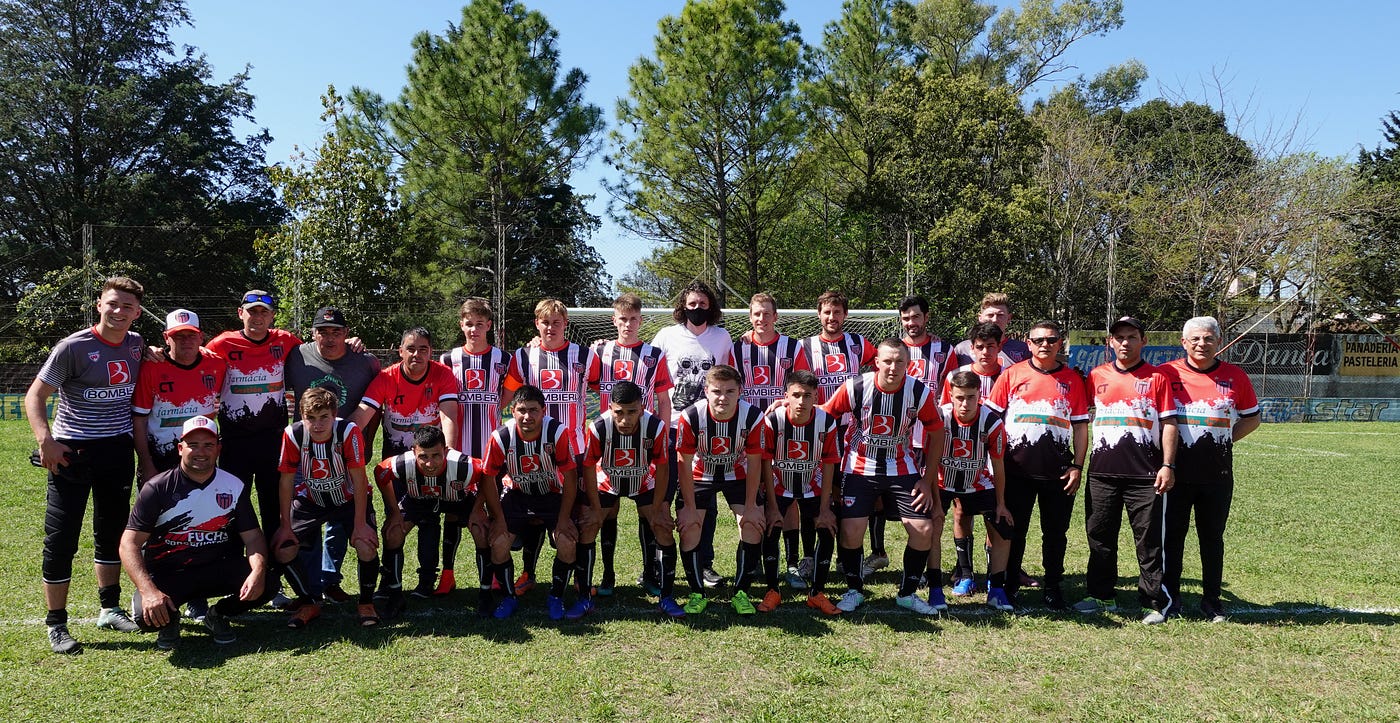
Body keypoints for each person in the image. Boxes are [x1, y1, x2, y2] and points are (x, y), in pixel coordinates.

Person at [26, 276, 147, 654]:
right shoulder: (73, 347)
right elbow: (36, 394)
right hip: (72, 453)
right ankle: (56, 624)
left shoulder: (136, 344)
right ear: (99, 305)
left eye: (127, 306)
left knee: (111, 531)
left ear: (137, 313)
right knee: (61, 539)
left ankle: (109, 608)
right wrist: (46, 440)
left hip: (116, 451)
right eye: (112, 303)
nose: (119, 311)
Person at [119, 416, 269, 649]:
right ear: (180, 448)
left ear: (218, 449)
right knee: (145, 617)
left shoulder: (233, 486)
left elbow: (253, 537)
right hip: (170, 573)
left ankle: (217, 615)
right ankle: (170, 618)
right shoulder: (157, 488)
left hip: (216, 569)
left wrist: (257, 572)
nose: (201, 452)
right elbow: (128, 544)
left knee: (267, 583)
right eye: (193, 445)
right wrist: (148, 592)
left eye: (208, 445)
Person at [822, 338, 945, 615]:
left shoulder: (918, 391)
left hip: (902, 467)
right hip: (859, 466)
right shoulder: (856, 387)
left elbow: (937, 432)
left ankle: (907, 593)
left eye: (899, 361)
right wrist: (788, 405)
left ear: (908, 364)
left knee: (923, 530)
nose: (893, 367)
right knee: (852, 530)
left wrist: (926, 479)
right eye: (887, 361)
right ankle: (854, 589)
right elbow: (826, 414)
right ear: (876, 362)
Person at [1073, 317, 1178, 624]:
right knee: (1100, 536)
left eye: (1132, 337)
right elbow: (1080, 418)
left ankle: (1152, 601)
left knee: (1147, 541)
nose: (1125, 343)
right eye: (1119, 337)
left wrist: (1167, 465)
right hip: (1102, 472)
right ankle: (1102, 595)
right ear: (1110, 342)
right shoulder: (1096, 376)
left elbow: (1169, 423)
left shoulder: (1157, 378)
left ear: (1143, 341)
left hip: (1146, 475)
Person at [1161, 316, 1260, 622]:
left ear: (1219, 341)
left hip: (1217, 474)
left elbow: (1252, 418)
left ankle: (1212, 601)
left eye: (1208, 339)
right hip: (1175, 473)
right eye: (1195, 339)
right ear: (1184, 342)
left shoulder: (1235, 376)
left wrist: (1223, 440)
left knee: (1212, 538)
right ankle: (1171, 598)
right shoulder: (1166, 373)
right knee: (1171, 538)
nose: (1201, 344)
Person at [985, 321, 1090, 609]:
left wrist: (1077, 466)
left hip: (1058, 473)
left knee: (1055, 533)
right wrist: (993, 462)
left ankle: (1053, 585)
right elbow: (991, 421)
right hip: (1015, 469)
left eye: (1051, 339)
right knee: (1013, 530)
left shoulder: (1072, 380)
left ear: (1060, 343)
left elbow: (1081, 427)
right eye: (1038, 340)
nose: (1045, 344)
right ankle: (1009, 585)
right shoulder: (1011, 374)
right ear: (1028, 344)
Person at [353, 327, 460, 597]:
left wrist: (447, 456)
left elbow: (448, 417)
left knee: (429, 520)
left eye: (423, 349)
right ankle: (390, 580)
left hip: (431, 463)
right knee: (394, 520)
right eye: (410, 349)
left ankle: (426, 580)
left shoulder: (442, 375)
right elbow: (363, 415)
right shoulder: (386, 378)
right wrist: (341, 437)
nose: (416, 354)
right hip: (397, 464)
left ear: (431, 352)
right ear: (400, 352)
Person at [284, 306, 381, 604]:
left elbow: (378, 397)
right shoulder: (296, 356)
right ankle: (312, 591)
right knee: (309, 524)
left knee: (343, 523)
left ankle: (330, 579)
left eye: (336, 332)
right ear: (312, 334)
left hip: (346, 452)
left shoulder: (364, 361)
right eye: (322, 332)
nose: (329, 338)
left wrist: (367, 437)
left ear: (347, 334)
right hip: (305, 455)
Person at [503, 299, 600, 594]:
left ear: (566, 324)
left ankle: (583, 579)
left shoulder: (586, 355)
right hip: (535, 450)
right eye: (545, 322)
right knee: (535, 513)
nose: (550, 327)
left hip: (576, 448)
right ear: (536, 324)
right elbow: (506, 399)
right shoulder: (522, 357)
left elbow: (603, 390)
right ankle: (528, 574)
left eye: (557, 322)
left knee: (580, 516)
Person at [479, 385, 601, 621]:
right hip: (517, 495)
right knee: (498, 543)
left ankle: (555, 596)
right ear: (512, 411)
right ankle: (508, 597)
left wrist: (564, 519)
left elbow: (571, 477)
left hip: (551, 495)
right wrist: (498, 519)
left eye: (533, 410)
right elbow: (488, 479)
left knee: (567, 542)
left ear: (543, 411)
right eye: (522, 410)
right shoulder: (501, 437)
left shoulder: (556, 432)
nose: (527, 417)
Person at [206, 290, 302, 578]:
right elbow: (194, 359)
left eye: (263, 312)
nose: (257, 317)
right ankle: (237, 576)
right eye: (252, 311)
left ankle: (274, 580)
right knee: (235, 510)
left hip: (273, 441)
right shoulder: (222, 343)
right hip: (235, 443)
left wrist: (350, 343)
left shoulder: (284, 341)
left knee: (275, 510)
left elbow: (318, 351)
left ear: (272, 316)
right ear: (241, 313)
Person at [270, 387, 381, 628]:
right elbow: (286, 481)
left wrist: (360, 524)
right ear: (301, 416)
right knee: (283, 549)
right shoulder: (293, 434)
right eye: (311, 418)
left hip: (348, 498)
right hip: (311, 499)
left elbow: (360, 479)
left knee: (366, 545)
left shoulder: (348, 432)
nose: (318, 425)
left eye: (324, 418)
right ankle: (309, 602)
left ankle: (366, 602)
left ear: (334, 415)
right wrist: (285, 526)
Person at [373, 425, 508, 618]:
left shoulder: (463, 465)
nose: (430, 463)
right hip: (419, 499)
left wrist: (478, 509)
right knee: (392, 533)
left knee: (481, 531)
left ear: (445, 450)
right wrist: (394, 512)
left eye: (436, 455)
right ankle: (395, 596)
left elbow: (487, 475)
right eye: (423, 457)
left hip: (457, 498)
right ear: (413, 452)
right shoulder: (402, 463)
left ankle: (485, 595)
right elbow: (380, 473)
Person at [650, 281, 733, 589]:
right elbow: (647, 369)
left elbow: (727, 380)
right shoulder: (667, 335)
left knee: (704, 499)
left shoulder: (722, 337)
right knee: (663, 495)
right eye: (692, 304)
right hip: (672, 428)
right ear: (682, 306)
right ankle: (659, 562)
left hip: (707, 432)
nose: (697, 309)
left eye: (702, 304)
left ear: (711, 306)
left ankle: (704, 562)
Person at [589, 293, 673, 596]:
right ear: (614, 320)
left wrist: (661, 437)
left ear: (641, 321)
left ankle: (649, 573)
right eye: (622, 319)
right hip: (609, 444)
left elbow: (663, 399)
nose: (628, 325)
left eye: (633, 319)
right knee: (607, 513)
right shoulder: (599, 353)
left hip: (643, 446)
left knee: (647, 512)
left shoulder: (654, 354)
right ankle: (608, 575)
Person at [580, 380, 683, 616]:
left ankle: (665, 595)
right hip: (608, 479)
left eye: (632, 412)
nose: (625, 420)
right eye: (619, 412)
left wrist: (658, 509)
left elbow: (664, 468)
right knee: (589, 526)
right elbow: (587, 467)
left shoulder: (655, 426)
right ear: (610, 407)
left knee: (662, 527)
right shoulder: (598, 427)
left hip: (644, 479)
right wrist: (595, 508)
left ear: (642, 406)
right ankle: (592, 590)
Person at [734, 292, 812, 591]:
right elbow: (729, 384)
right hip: (748, 431)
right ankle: (754, 559)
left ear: (775, 316)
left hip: (785, 429)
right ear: (750, 316)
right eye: (756, 314)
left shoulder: (791, 347)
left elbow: (802, 384)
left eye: (767, 313)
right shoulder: (738, 347)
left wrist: (784, 400)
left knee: (787, 495)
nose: (761, 319)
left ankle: (791, 563)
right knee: (754, 496)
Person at [673, 364, 767, 615]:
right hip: (699, 474)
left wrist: (750, 507)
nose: (723, 397)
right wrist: (690, 509)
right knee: (690, 527)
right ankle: (696, 593)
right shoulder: (691, 416)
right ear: (706, 391)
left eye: (730, 391)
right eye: (716, 391)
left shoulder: (753, 416)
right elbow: (683, 463)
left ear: (740, 392)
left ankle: (741, 592)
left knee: (752, 524)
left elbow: (755, 462)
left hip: (737, 473)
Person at [801, 290, 880, 573]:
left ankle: (851, 554)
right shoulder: (805, 346)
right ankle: (810, 556)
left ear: (845, 315)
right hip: (819, 427)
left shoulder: (858, 343)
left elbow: (880, 366)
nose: (831, 317)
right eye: (826, 312)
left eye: (837, 312)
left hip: (854, 428)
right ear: (819, 315)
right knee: (815, 489)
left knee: (849, 491)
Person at [438, 297, 513, 596]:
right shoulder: (448, 359)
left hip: (490, 450)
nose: (474, 330)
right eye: (469, 324)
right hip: (458, 450)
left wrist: (495, 408)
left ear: (489, 326)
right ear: (461, 325)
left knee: (491, 513)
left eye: (480, 325)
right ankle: (448, 574)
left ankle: (493, 574)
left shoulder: (503, 359)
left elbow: (510, 391)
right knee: (454, 515)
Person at [757, 370, 842, 615]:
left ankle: (816, 593)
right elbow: (765, 462)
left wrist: (825, 508)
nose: (802, 401)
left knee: (827, 530)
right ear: (786, 396)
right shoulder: (774, 420)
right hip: (779, 485)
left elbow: (828, 463)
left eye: (808, 395)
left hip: (812, 485)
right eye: (796, 395)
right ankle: (772, 591)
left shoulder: (826, 422)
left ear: (816, 396)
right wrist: (772, 507)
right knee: (771, 529)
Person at [933, 371, 1015, 612]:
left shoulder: (992, 422)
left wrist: (1000, 503)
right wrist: (932, 498)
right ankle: (937, 589)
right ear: (950, 395)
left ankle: (997, 589)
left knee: (1003, 528)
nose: (965, 404)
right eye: (959, 397)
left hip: (978, 482)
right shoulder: (940, 417)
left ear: (980, 394)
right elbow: (928, 460)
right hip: (942, 483)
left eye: (971, 397)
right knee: (930, 527)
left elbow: (998, 467)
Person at [937, 321, 1003, 596]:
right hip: (961, 453)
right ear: (971, 348)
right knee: (961, 510)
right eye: (980, 346)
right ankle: (964, 572)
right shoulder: (956, 375)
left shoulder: (1010, 374)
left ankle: (995, 574)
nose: (985, 352)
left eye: (991, 346)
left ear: (1000, 347)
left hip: (995, 448)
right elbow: (946, 414)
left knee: (994, 516)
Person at [133, 309, 227, 483]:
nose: (186, 341)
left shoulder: (217, 364)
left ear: (201, 337)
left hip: (202, 460)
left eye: (191, 335)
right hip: (160, 460)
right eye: (178, 336)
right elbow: (139, 420)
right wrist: (146, 464)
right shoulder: (151, 367)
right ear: (166, 338)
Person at [953, 292, 1031, 368]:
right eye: (990, 315)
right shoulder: (962, 349)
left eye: (1000, 315)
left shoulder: (1023, 349)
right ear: (980, 317)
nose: (995, 320)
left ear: (1009, 318)